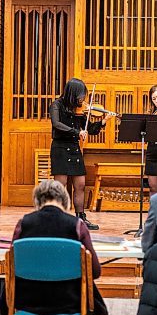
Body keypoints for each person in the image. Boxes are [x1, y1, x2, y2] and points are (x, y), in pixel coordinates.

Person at [0, 179, 108, 315]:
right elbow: (95, 271)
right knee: (72, 285)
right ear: (65, 200)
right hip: (67, 304)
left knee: (16, 286)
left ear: (37, 200)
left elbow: (13, 265)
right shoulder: (77, 225)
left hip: (27, 302)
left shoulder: (23, 224)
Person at [50, 78, 113, 230]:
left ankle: (81, 218)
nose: (83, 99)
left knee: (80, 184)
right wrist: (77, 132)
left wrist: (104, 120)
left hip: (74, 148)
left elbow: (90, 128)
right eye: (81, 95)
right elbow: (56, 124)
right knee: (61, 185)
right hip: (60, 148)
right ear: (73, 93)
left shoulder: (80, 110)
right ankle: (58, 218)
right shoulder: (56, 105)